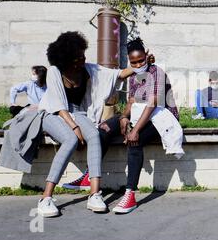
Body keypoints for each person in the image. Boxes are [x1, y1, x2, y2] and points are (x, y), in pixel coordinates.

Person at [36, 31, 140, 217]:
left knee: (93, 135)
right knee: (69, 140)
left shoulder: (88, 70)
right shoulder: (55, 72)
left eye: (83, 53)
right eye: (79, 56)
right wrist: (75, 128)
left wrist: (142, 64)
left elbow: (118, 75)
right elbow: (59, 106)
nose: (83, 58)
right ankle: (46, 197)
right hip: (52, 112)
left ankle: (94, 194)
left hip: (77, 111)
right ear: (67, 60)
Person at [99, 37, 182, 214]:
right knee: (104, 128)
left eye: (140, 60)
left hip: (160, 116)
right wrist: (123, 117)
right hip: (139, 112)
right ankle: (91, 176)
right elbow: (131, 100)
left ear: (147, 55)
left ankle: (130, 195)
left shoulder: (156, 72)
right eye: (133, 62)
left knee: (134, 140)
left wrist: (135, 130)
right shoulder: (134, 76)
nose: (137, 65)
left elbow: (153, 103)